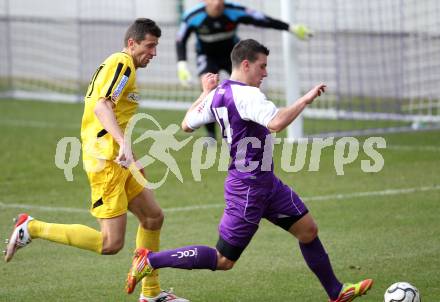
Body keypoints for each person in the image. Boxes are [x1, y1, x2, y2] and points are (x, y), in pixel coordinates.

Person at [125, 39, 373, 302]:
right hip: (248, 188)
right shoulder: (248, 95)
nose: (265, 73)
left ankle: (336, 292)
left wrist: (204, 92)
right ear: (246, 64)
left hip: (266, 183)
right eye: (262, 66)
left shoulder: (219, 93)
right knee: (224, 259)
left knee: (308, 231)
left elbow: (186, 124)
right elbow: (276, 123)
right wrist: (306, 99)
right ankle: (150, 259)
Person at [3, 18, 188, 302]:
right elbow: (103, 106)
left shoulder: (122, 66)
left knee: (153, 217)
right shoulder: (123, 63)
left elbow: (111, 112)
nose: (154, 53)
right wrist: (123, 144)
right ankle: (31, 228)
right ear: (132, 43)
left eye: (156, 47)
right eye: (150, 46)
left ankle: (151, 294)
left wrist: (132, 156)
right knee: (110, 243)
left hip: (118, 159)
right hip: (106, 161)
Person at [176, 0, 313, 141]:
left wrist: (290, 28)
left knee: (247, 88)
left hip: (233, 55)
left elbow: (261, 19)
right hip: (207, 56)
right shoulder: (192, 16)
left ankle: (259, 127)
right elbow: (181, 39)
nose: (217, 2)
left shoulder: (234, 10)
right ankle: (211, 135)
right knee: (207, 88)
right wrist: (182, 64)